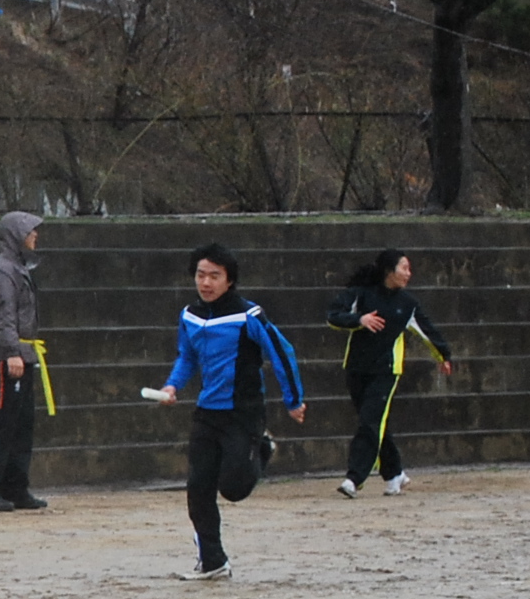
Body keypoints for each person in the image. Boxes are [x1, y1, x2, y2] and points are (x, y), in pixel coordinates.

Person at [151, 241, 305, 581]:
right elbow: (187, 357)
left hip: (243, 411)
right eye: (200, 275)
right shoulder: (190, 315)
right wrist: (172, 386)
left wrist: (293, 400)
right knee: (198, 488)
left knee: (234, 487)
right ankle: (213, 561)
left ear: (229, 280)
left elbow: (282, 352)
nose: (205, 283)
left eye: (214, 276)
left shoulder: (249, 316)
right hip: (207, 413)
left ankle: (262, 446)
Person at [327, 247, 453, 497]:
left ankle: (354, 478)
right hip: (356, 368)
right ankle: (395, 473)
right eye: (404, 268)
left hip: (386, 371)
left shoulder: (408, 304)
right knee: (375, 422)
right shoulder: (360, 294)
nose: (408, 273)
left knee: (370, 422)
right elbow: (333, 316)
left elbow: (428, 331)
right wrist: (359, 320)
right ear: (389, 271)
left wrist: (444, 356)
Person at [0, 210, 48, 512]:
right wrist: (12, 351)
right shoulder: (3, 271)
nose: (35, 236)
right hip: (7, 358)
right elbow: (2, 315)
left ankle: (15, 487)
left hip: (22, 355)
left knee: (21, 424)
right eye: (30, 231)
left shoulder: (17, 268)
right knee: (1, 424)